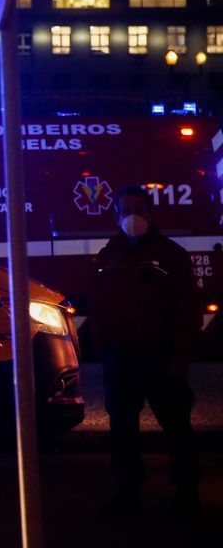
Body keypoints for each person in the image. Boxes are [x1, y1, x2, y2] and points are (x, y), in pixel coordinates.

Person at [92, 185, 201, 518]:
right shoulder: (107, 256)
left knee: (177, 428)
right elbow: (98, 306)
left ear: (150, 213)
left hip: (161, 355)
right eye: (126, 210)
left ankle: (187, 496)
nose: (132, 216)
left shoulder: (171, 256)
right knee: (123, 432)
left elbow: (188, 310)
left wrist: (180, 357)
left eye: (138, 209)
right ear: (116, 215)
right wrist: (104, 350)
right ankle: (127, 494)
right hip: (122, 358)